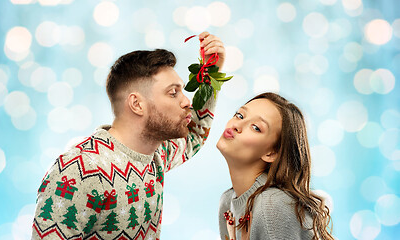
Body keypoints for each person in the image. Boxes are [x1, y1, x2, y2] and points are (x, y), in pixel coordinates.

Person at [32, 32, 225, 239]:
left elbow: (194, 135)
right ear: (137, 104)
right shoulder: (78, 170)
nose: (187, 102)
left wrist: (211, 72)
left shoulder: (156, 154)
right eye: (173, 93)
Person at [217, 92, 334, 240]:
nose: (237, 125)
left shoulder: (272, 206)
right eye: (240, 115)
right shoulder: (227, 202)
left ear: (271, 153)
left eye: (256, 127)